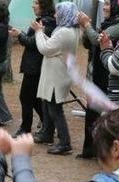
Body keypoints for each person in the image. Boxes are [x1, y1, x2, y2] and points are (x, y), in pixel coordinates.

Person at [76, 0, 119, 159]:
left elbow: (97, 41)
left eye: (108, 5)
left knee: (106, 117)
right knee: (92, 113)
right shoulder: (107, 23)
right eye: (104, 4)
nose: (104, 8)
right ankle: (90, 150)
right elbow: (88, 43)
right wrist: (85, 28)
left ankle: (105, 153)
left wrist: (86, 25)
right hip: (97, 73)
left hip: (106, 76)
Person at [34, 1, 78, 155]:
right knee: (48, 104)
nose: (55, 14)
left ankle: (65, 142)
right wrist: (44, 34)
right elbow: (53, 45)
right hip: (57, 74)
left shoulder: (64, 32)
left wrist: (39, 32)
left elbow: (45, 49)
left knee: (55, 108)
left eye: (58, 12)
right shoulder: (67, 30)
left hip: (56, 77)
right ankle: (47, 133)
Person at [10, 0, 55, 136]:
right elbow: (33, 39)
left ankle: (26, 128)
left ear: (43, 5)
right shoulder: (43, 20)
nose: (33, 5)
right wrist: (21, 34)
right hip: (33, 65)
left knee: (25, 97)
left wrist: (20, 35)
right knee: (34, 98)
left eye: (36, 2)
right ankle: (47, 124)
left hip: (36, 66)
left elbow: (34, 44)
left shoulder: (46, 22)